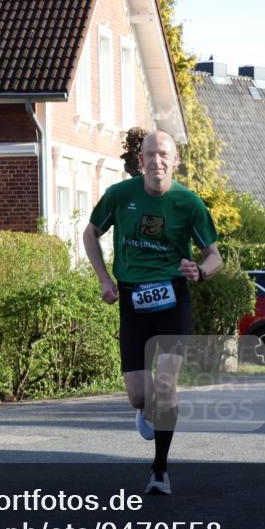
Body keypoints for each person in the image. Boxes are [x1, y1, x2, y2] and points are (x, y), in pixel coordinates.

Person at [83, 130, 221, 496]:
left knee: (165, 383)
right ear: (139, 160)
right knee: (139, 396)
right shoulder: (119, 196)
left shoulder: (188, 203)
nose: (156, 161)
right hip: (132, 300)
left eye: (163, 154)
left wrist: (201, 270)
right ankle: (145, 410)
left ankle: (159, 471)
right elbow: (90, 234)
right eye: (150, 154)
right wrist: (104, 279)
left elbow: (215, 255)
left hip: (174, 298)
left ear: (175, 160)